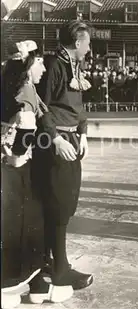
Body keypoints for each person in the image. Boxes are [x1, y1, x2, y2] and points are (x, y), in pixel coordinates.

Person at [1, 40, 73, 309]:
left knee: (32, 220)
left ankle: (36, 284)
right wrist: (18, 158)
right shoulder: (24, 92)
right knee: (17, 225)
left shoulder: (22, 87)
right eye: (40, 61)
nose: (44, 67)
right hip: (13, 169)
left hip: (14, 166)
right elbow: (26, 132)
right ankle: (8, 285)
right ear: (28, 65)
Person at [32, 20, 93, 291]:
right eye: (88, 43)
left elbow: (78, 106)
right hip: (55, 141)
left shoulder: (74, 65)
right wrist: (55, 138)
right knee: (58, 205)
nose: (89, 48)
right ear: (78, 43)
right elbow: (40, 105)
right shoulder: (55, 65)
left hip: (71, 139)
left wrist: (84, 132)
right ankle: (60, 269)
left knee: (66, 204)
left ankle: (49, 261)